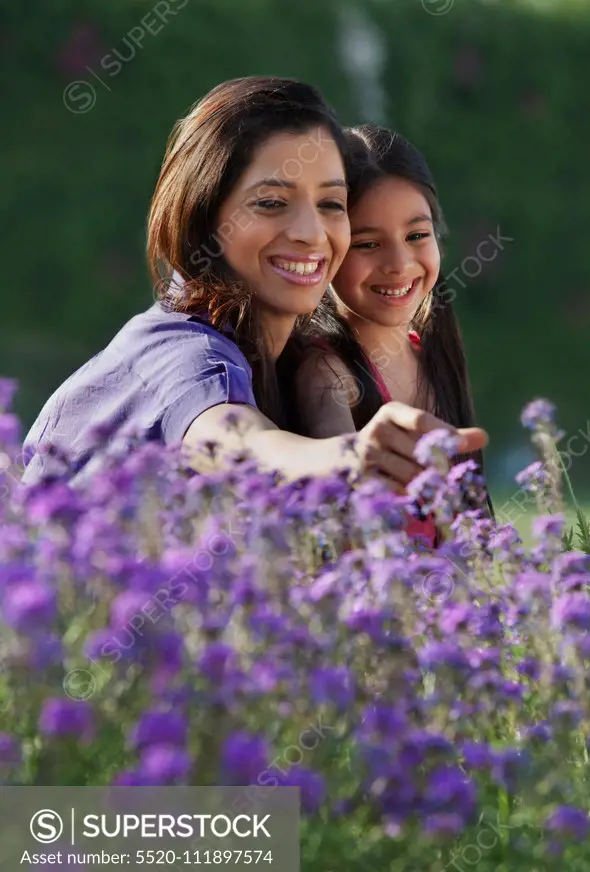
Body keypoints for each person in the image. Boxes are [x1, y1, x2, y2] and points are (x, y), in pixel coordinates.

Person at [21, 80, 487, 489]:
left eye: (331, 203)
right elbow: (233, 437)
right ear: (203, 218)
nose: (310, 232)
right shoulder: (184, 351)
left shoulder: (281, 360)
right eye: (269, 202)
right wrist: (345, 457)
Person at [283, 125, 493, 541]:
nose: (399, 263)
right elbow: (345, 498)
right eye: (367, 244)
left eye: (417, 235)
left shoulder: (433, 353)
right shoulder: (327, 372)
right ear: (327, 248)